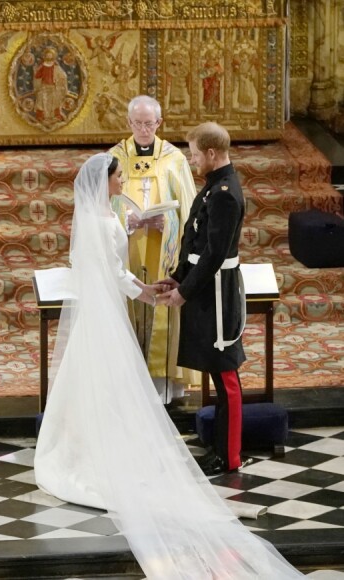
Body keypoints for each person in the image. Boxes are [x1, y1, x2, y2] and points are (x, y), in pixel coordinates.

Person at [34, 152, 323, 579]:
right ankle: (94, 451)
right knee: (106, 379)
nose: (121, 181)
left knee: (93, 379)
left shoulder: (96, 217)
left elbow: (96, 265)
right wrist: (148, 293)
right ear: (105, 180)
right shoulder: (101, 220)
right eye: (117, 177)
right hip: (110, 307)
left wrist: (143, 282)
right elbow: (112, 271)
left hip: (103, 309)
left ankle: (84, 444)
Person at [156, 122, 246, 477]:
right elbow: (194, 243)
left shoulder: (224, 192)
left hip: (217, 293)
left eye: (194, 154)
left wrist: (184, 291)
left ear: (211, 153)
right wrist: (177, 277)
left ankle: (231, 455)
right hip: (204, 287)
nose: (193, 161)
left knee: (226, 376)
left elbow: (214, 254)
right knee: (215, 370)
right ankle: (221, 449)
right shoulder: (213, 187)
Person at [110, 95, 200, 403]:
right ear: (129, 123)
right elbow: (105, 205)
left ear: (159, 123)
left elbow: (188, 209)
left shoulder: (173, 158)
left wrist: (170, 223)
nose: (144, 129)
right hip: (129, 249)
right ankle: (127, 384)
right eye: (138, 123)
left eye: (150, 123)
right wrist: (128, 220)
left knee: (162, 309)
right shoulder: (115, 157)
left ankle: (163, 386)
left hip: (165, 251)